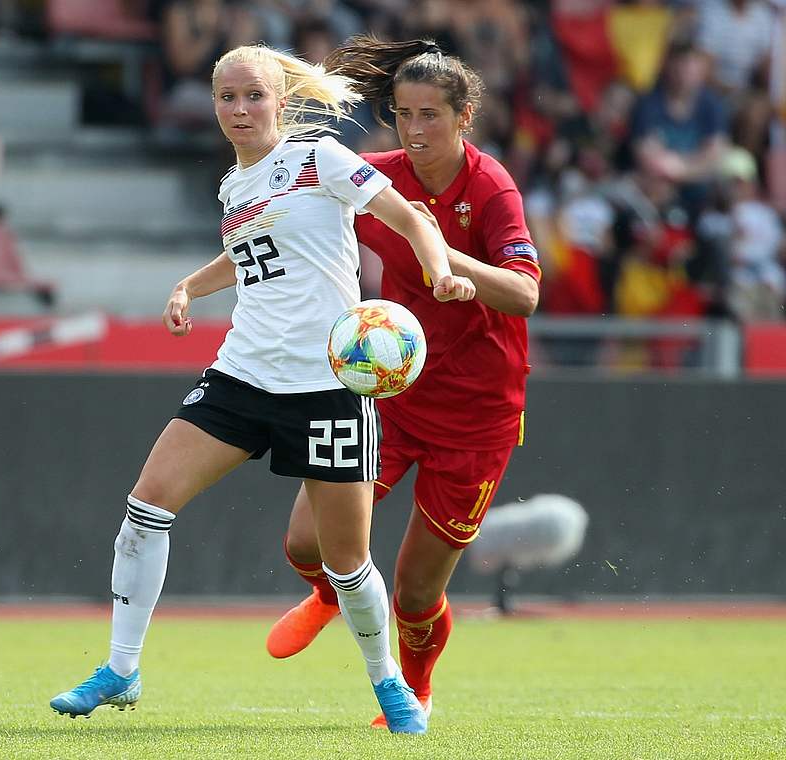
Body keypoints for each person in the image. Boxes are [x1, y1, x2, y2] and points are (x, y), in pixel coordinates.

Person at [47, 43, 476, 734]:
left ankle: (388, 683)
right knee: (146, 507)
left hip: (327, 385)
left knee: (344, 562)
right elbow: (248, 253)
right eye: (227, 98)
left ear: (281, 101)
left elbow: (410, 217)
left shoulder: (321, 159)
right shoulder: (235, 186)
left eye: (253, 96)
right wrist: (191, 283)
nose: (240, 109)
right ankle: (122, 669)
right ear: (214, 106)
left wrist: (437, 272)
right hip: (242, 373)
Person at [264, 38, 542, 729]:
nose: (415, 132)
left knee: (415, 597)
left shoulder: (491, 189)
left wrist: (445, 256)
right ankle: (330, 596)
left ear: (464, 116)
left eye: (431, 117)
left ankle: (415, 693)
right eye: (403, 115)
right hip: (387, 398)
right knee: (304, 543)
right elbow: (290, 211)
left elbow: (525, 296)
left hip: (478, 417)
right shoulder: (376, 179)